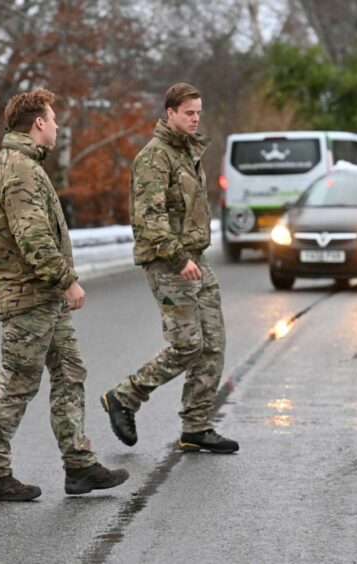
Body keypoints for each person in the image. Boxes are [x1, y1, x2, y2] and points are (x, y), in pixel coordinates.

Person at [0, 88, 129, 502]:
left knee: (71, 371)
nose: (58, 126)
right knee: (18, 385)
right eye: (53, 119)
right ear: (38, 123)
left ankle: (79, 465)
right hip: (29, 298)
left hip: (44, 299)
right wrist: (66, 280)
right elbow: (33, 238)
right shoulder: (20, 170)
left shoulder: (21, 165)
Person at [101, 83, 238, 454]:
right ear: (170, 113)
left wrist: (192, 257)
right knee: (187, 345)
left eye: (199, 113)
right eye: (189, 113)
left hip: (196, 258)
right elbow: (149, 220)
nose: (195, 119)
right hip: (169, 263)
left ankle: (197, 427)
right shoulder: (154, 158)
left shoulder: (187, 153)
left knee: (213, 345)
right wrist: (179, 260)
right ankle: (125, 396)